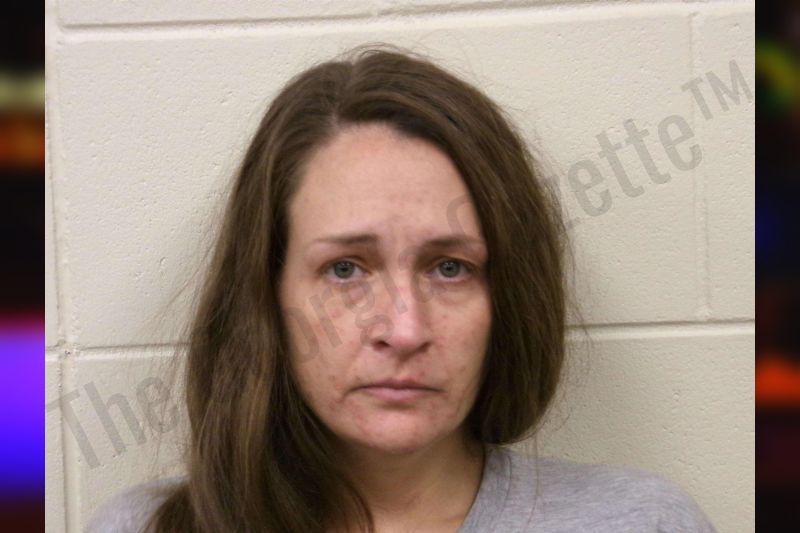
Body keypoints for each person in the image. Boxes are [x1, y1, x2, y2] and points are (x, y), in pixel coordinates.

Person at [87, 44, 717, 532]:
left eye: (450, 268)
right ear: (267, 296)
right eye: (345, 269)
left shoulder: (642, 522)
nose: (405, 329)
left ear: (508, 299)